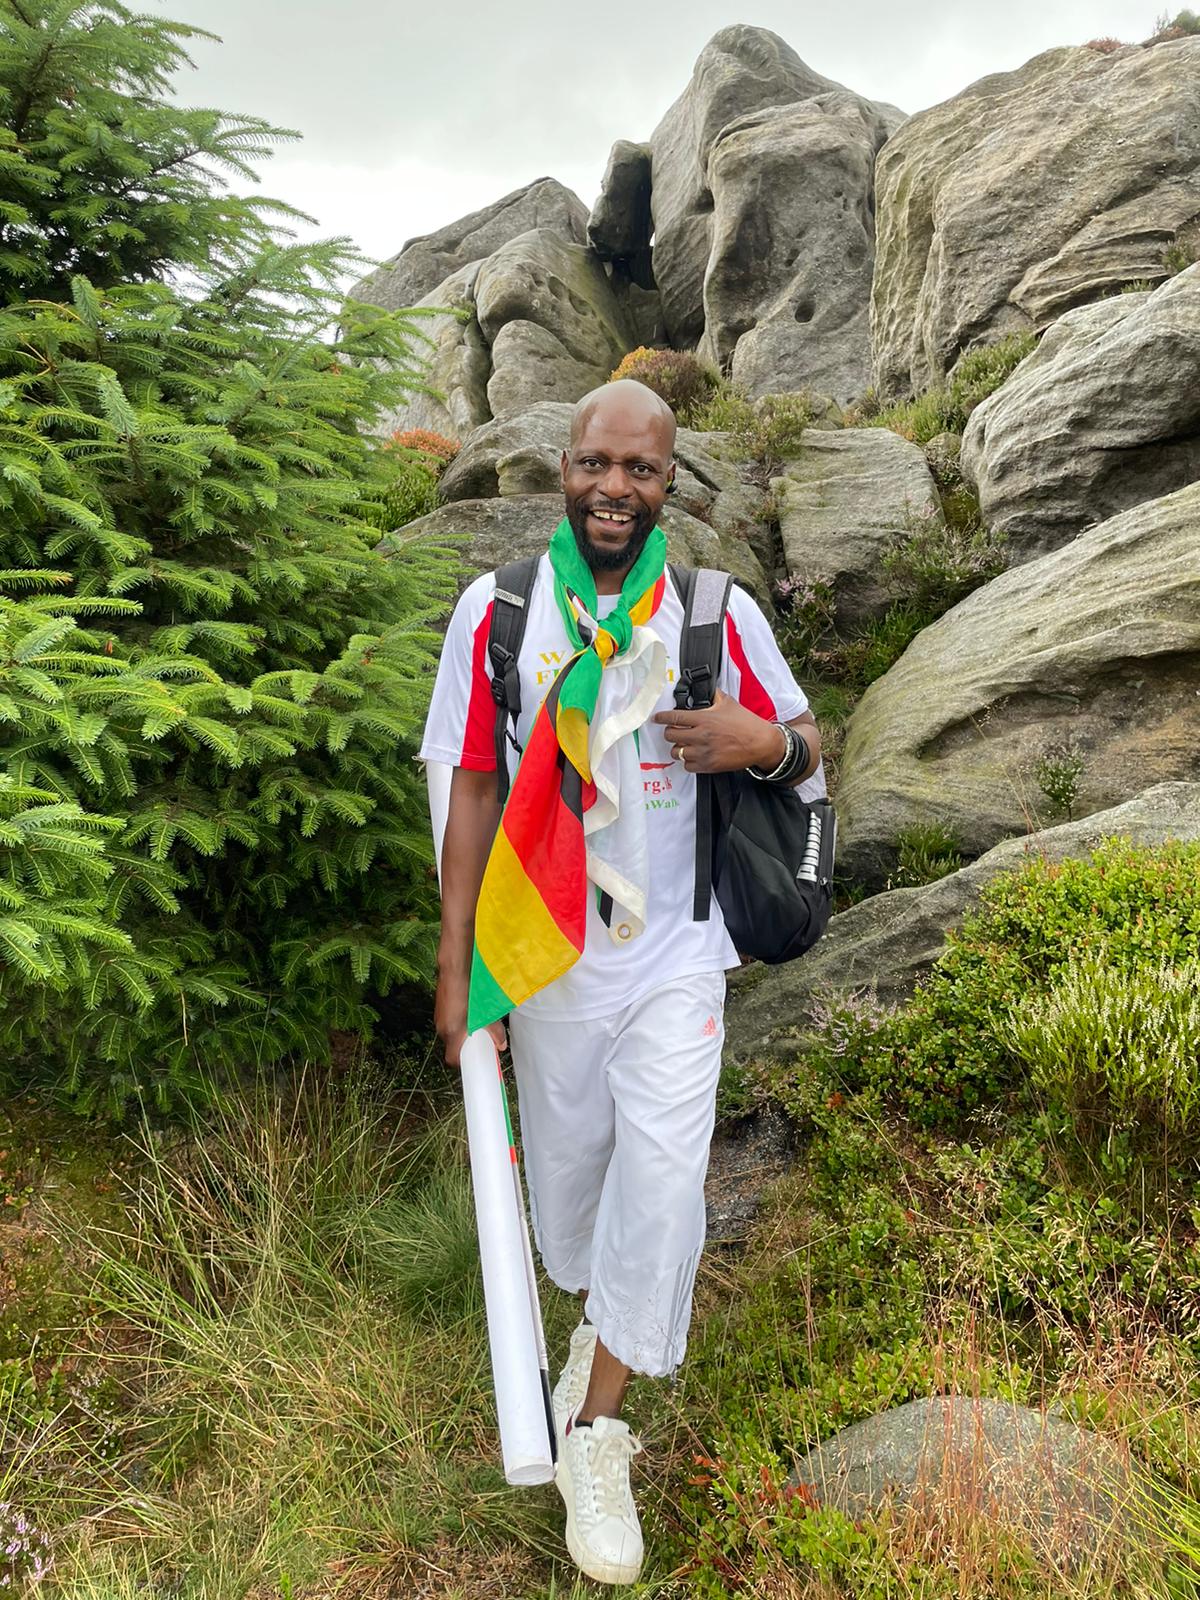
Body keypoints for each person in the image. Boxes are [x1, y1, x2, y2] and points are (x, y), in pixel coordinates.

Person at [420, 378, 823, 1586]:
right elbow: (472, 791)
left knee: (661, 1175)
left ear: (667, 483)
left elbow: (808, 746)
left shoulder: (713, 613)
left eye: (641, 471)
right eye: (597, 463)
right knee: (583, 1197)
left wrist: (760, 742)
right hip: (545, 963)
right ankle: (607, 1317)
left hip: (676, 955)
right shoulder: (498, 616)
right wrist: (457, 971)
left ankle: (598, 1431)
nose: (615, 488)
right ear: (564, 466)